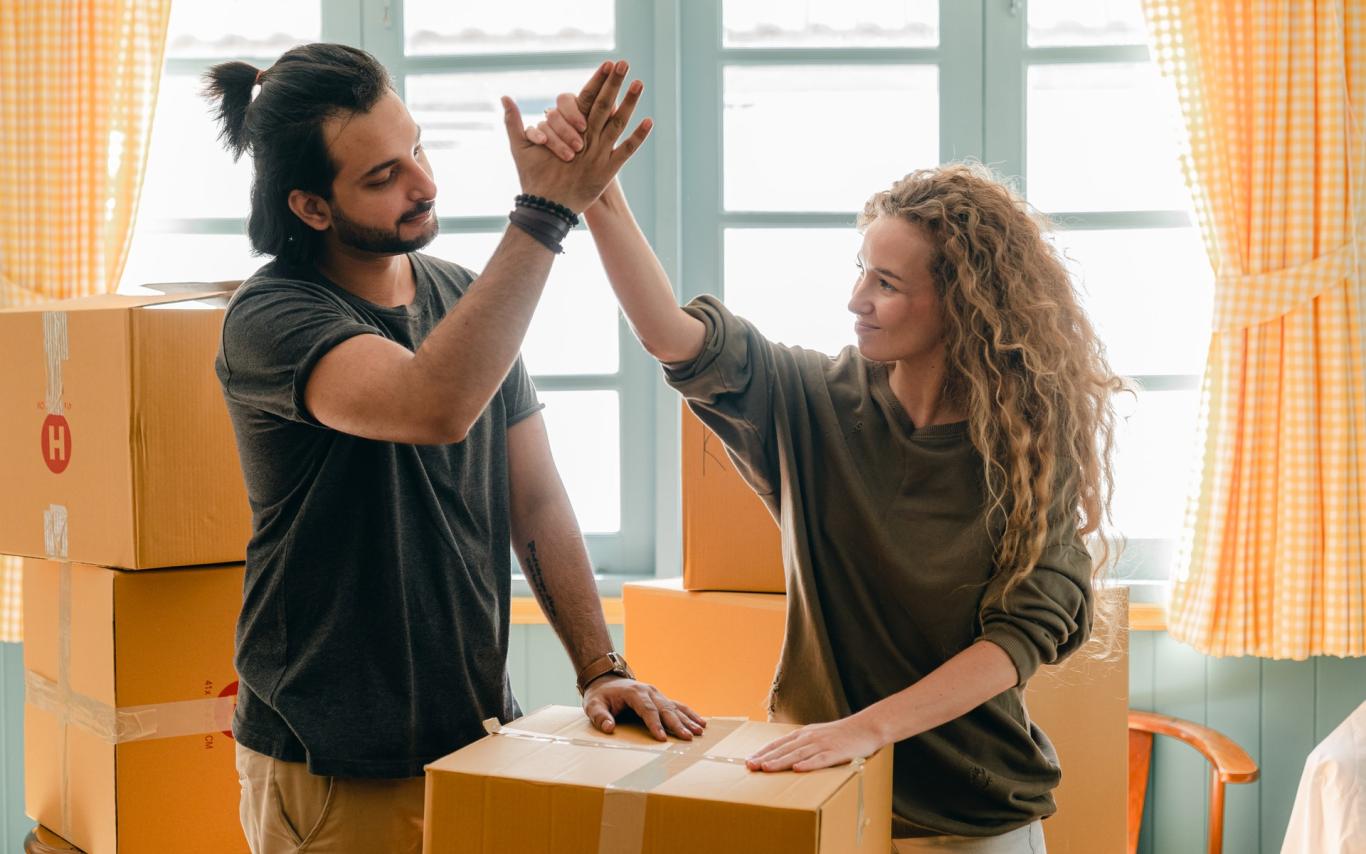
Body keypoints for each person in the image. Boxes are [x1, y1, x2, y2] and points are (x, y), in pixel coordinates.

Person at [529, 89, 1122, 852]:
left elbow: (1018, 640)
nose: (855, 301)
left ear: (964, 304)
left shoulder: (1028, 451)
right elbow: (675, 338)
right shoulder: (810, 400)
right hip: (822, 796)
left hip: (973, 821)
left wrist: (865, 730)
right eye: (861, 271)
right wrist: (599, 198)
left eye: (886, 283)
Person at [203, 47, 703, 853]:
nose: (424, 183)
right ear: (312, 207)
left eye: (419, 149)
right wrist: (543, 212)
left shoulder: (464, 297)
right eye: (381, 177)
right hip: (332, 763)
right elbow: (432, 405)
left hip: (474, 737)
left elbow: (535, 498)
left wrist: (600, 666)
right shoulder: (272, 319)